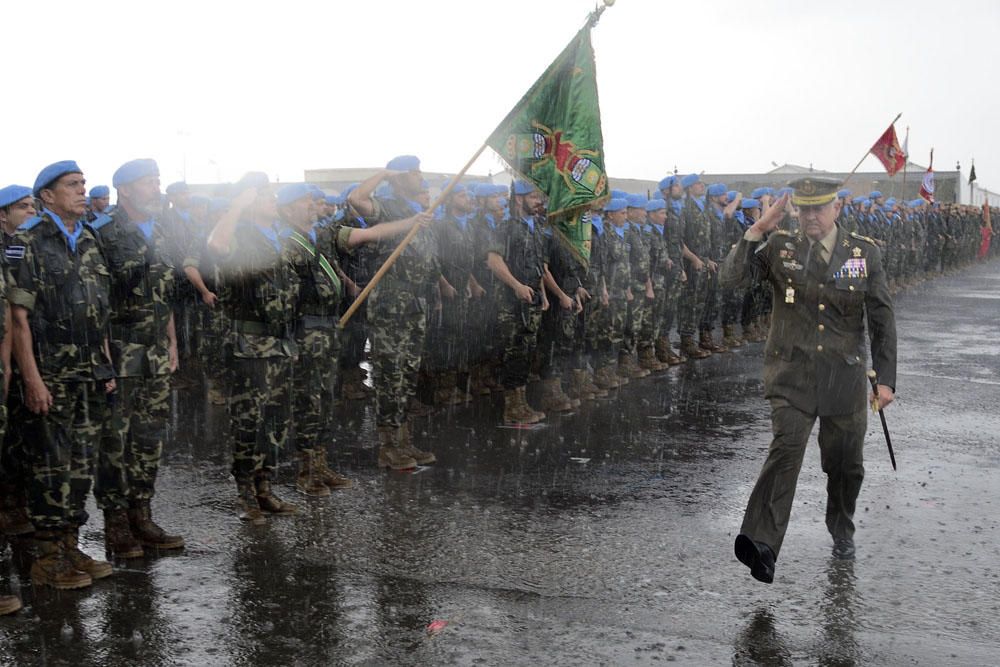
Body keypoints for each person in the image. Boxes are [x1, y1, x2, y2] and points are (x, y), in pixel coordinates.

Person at [720, 176, 897, 583]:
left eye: (819, 208)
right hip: (792, 376)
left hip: (844, 378)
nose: (810, 217)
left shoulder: (863, 253)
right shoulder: (781, 248)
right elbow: (731, 280)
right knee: (786, 450)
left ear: (837, 209)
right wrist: (755, 232)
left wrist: (885, 380)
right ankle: (762, 544)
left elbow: (882, 318)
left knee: (846, 465)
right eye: (803, 209)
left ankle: (841, 526)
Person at [9, 161, 116, 589]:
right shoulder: (28, 241)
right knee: (50, 466)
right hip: (51, 374)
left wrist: (105, 364)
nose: (82, 190)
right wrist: (32, 378)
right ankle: (46, 557)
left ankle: (70, 545)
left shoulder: (89, 238)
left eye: (84, 183)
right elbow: (18, 317)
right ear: (48, 196)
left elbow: (99, 310)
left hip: (90, 372)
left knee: (81, 465)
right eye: (72, 185)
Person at [89, 159, 185, 558]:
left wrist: (173, 342)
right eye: (148, 182)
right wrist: (102, 357)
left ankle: (141, 513)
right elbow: (94, 303)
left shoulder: (161, 229)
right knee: (116, 439)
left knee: (149, 437)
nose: (156, 188)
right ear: (124, 189)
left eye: (158, 181)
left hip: (156, 352)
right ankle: (116, 525)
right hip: (120, 348)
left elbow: (165, 295)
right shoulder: (101, 234)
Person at [487, 180, 551, 424]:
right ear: (518, 199)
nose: (538, 202)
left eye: (539, 197)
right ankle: (512, 409)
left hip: (532, 300)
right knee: (514, 354)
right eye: (533, 197)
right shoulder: (507, 228)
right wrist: (516, 285)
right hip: (510, 303)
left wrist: (542, 293)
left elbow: (538, 267)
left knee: (525, 353)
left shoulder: (533, 228)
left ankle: (521, 404)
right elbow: (493, 261)